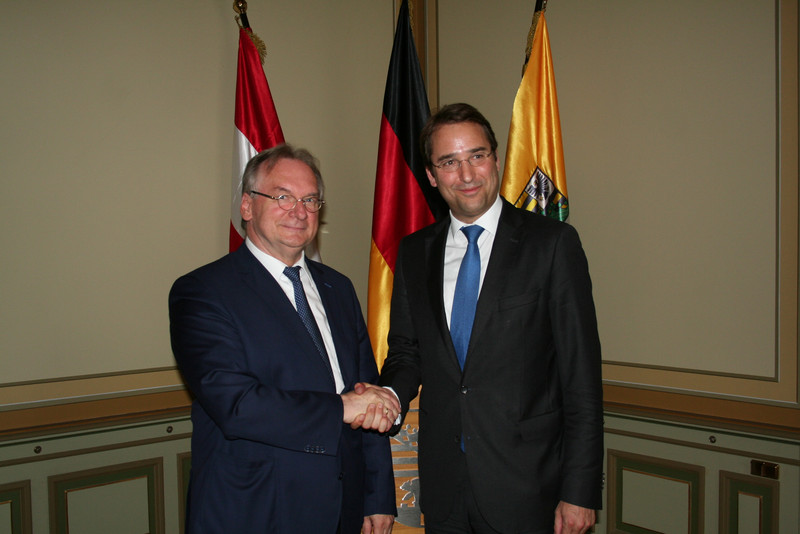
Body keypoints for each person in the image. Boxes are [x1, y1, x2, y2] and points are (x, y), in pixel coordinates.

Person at [374, 103, 604, 534]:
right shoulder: (414, 252)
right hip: (444, 488)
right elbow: (406, 351)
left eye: (477, 156)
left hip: (528, 487)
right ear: (431, 174)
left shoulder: (551, 245)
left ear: (496, 159)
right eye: (449, 162)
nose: (466, 174)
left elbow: (581, 378)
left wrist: (580, 490)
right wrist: (387, 393)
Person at [169, 144, 400, 534]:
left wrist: (377, 495)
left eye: (310, 199)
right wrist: (340, 408)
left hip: (345, 509)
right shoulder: (203, 291)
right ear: (247, 206)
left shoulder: (338, 288)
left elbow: (367, 390)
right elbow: (236, 404)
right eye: (282, 197)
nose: (299, 211)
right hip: (254, 511)